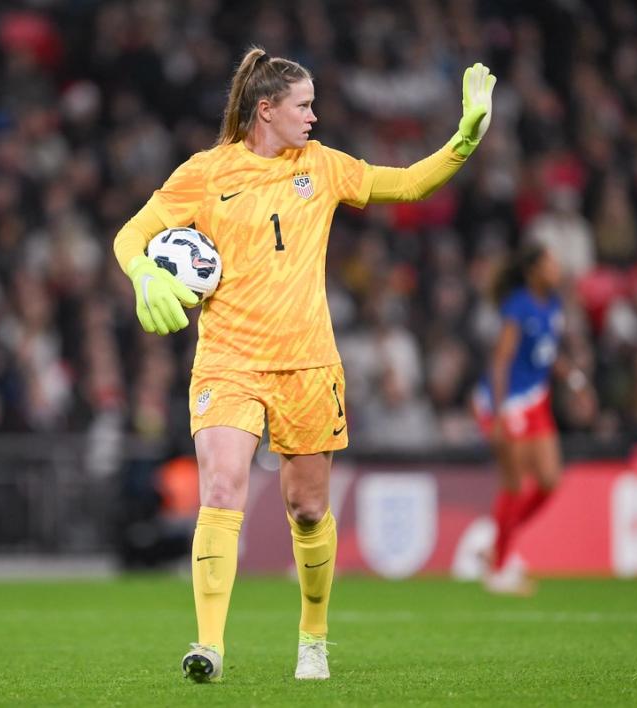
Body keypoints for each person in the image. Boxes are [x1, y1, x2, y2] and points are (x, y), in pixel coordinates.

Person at [113, 46, 496, 683]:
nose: (314, 117)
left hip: (307, 363)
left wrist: (462, 141)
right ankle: (209, 645)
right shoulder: (206, 173)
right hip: (228, 358)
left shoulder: (320, 167)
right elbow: (131, 233)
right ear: (267, 110)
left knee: (309, 510)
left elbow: (401, 183)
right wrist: (142, 270)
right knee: (222, 490)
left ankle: (312, 639)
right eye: (304, 106)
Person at [472, 243, 564, 595]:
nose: (557, 268)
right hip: (508, 400)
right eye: (550, 262)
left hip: (537, 398)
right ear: (533, 271)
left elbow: (545, 352)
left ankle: (498, 547)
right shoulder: (518, 306)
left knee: (550, 480)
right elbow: (501, 360)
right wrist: (497, 414)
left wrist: (574, 381)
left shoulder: (554, 304)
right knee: (514, 484)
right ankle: (498, 569)